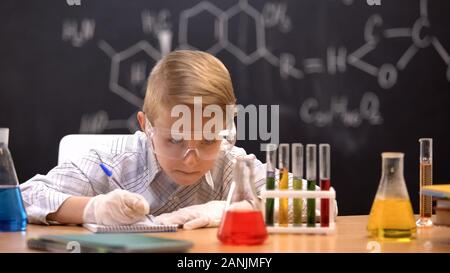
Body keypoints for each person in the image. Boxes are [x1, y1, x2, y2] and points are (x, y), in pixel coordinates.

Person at [20, 50, 336, 230]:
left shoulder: (232, 164)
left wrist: (233, 211)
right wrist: (90, 209)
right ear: (146, 125)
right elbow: (21, 197)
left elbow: (324, 208)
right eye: (174, 140)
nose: (191, 157)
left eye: (210, 139)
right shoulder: (113, 162)